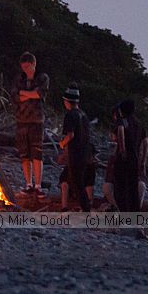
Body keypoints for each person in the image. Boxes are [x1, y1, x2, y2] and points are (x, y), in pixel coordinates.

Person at [12, 52, 49, 197]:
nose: (25, 70)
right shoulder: (19, 78)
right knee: (24, 154)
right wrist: (29, 93)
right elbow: (15, 97)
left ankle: (38, 186)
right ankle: (28, 185)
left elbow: (39, 94)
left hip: (36, 121)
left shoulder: (42, 77)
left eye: (28, 67)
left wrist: (25, 94)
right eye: (23, 68)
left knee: (37, 153)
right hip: (21, 120)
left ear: (34, 65)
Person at [58, 83, 94, 212]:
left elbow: (71, 135)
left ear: (67, 101)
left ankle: (86, 210)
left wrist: (62, 143)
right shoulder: (83, 115)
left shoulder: (70, 115)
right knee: (78, 181)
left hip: (76, 154)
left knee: (76, 182)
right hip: (85, 152)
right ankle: (84, 207)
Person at [107, 99, 148, 211]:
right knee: (132, 188)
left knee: (120, 187)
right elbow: (145, 143)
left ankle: (122, 211)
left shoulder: (123, 121)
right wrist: (143, 161)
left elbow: (120, 131)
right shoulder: (139, 123)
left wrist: (122, 149)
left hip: (123, 158)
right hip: (135, 159)